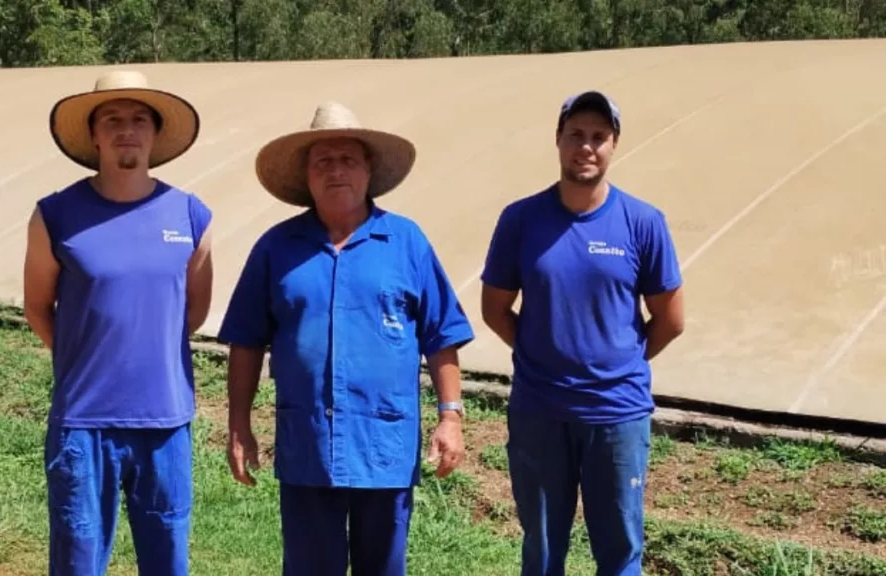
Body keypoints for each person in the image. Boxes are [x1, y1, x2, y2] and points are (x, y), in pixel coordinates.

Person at [217, 101, 475, 576]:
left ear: (369, 171)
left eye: (348, 160)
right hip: (308, 446)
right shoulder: (277, 248)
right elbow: (246, 342)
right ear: (308, 175)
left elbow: (442, 335)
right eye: (324, 161)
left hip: (385, 446)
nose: (336, 171)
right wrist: (239, 424)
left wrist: (451, 418)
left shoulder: (406, 242)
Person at [479, 91, 686, 576]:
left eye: (599, 137)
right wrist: (541, 355)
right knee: (544, 549)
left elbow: (671, 319)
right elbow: (494, 308)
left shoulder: (642, 223)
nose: (586, 147)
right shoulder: (521, 220)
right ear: (558, 141)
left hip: (616, 415)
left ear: (614, 145)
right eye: (576, 135)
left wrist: (619, 364)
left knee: (618, 552)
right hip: (540, 412)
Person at [22, 70, 214, 576]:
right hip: (83, 423)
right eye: (112, 119)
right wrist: (81, 356)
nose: (126, 129)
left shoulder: (191, 216)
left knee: (168, 558)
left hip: (165, 422)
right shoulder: (55, 215)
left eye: (138, 119)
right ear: (94, 135)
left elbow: (192, 311)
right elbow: (37, 307)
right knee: (78, 558)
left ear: (154, 133)